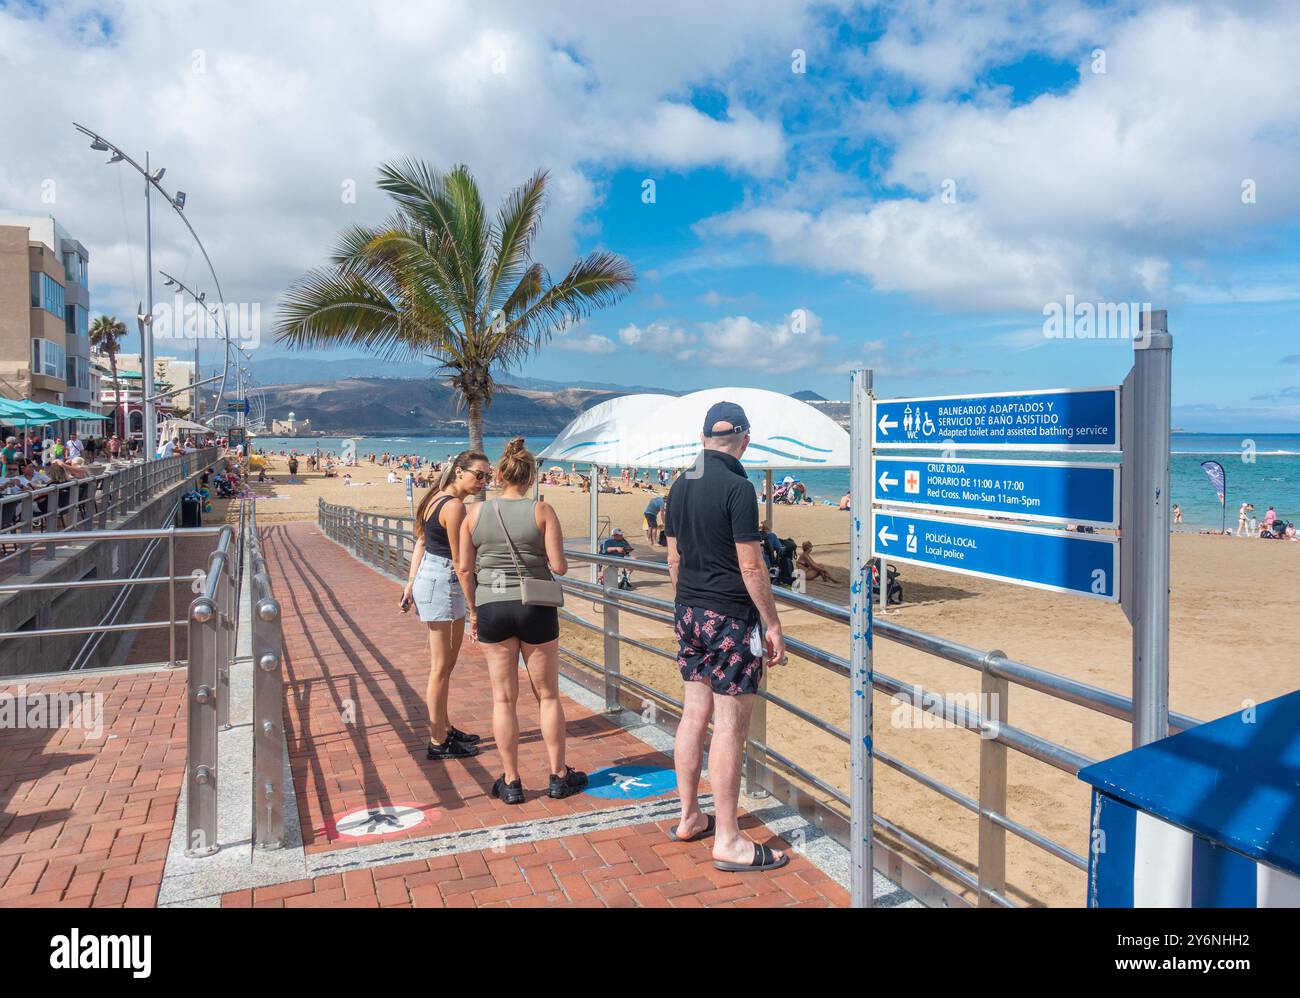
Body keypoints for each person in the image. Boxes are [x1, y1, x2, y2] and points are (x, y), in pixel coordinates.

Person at [664, 401, 787, 873]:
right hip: (730, 617)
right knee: (731, 730)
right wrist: (772, 623)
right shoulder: (738, 487)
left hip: (688, 611)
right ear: (745, 441)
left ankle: (690, 815)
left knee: (694, 714)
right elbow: (751, 564)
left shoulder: (680, 484)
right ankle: (730, 840)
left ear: (702, 439)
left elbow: (673, 560)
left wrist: (690, 603)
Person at [457, 437, 586, 804]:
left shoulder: (476, 514)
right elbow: (559, 566)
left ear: (498, 475)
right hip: (535, 607)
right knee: (547, 695)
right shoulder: (542, 511)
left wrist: (473, 611)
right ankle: (558, 776)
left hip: (492, 608)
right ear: (531, 478)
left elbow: (465, 569)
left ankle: (512, 782)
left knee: (503, 699)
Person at [401, 450, 490, 760]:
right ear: (459, 473)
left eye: (487, 476)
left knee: (442, 667)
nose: (483, 481)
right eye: (478, 474)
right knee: (441, 669)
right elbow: (461, 563)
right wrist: (475, 609)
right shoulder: (453, 507)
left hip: (431, 578)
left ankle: (445, 727)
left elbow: (422, 542)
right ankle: (438, 740)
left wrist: (411, 582)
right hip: (444, 585)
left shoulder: (434, 498)